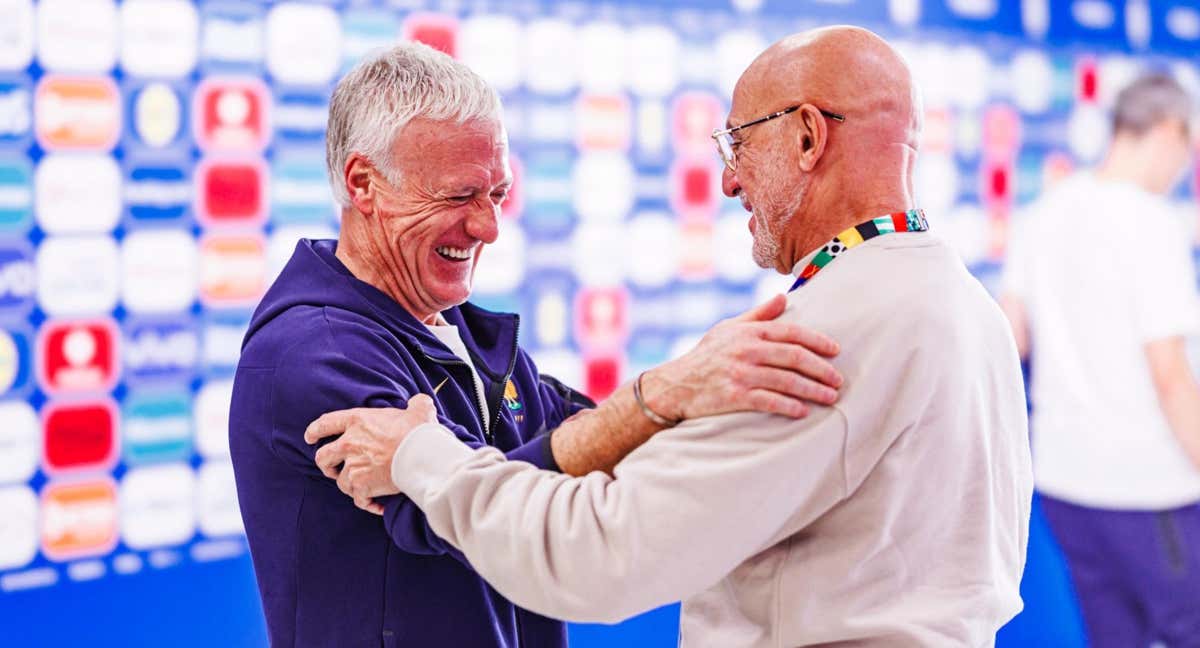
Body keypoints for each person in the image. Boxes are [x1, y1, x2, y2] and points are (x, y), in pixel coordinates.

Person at [308, 25, 1033, 646]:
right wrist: (669, 394)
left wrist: (419, 458)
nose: (728, 181)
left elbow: (592, 553)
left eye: (738, 143)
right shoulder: (962, 304)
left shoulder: (818, 340)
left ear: (808, 135)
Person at [228, 42, 845, 647]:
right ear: (364, 184)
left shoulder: (465, 331)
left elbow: (596, 445)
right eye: (458, 195)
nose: (489, 227)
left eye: (497, 193)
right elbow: (486, 509)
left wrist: (719, 389)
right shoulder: (313, 354)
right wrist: (666, 390)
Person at [999, 74, 1200, 647]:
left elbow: (1011, 339)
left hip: (1065, 483)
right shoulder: (1152, 222)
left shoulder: (1042, 213)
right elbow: (1171, 377)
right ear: (1168, 131)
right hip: (1149, 488)